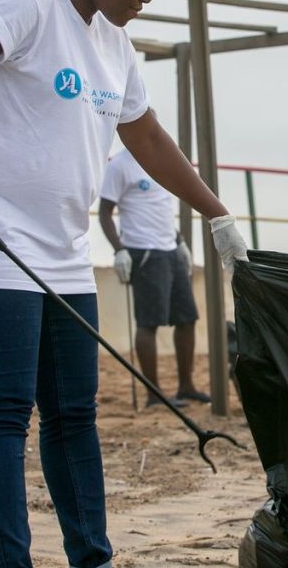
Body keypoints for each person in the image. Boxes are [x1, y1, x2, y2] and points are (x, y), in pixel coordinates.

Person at [0, 0, 248, 568]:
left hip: (62, 251)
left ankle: (90, 558)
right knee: (4, 407)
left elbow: (146, 136)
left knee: (73, 411)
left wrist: (215, 212)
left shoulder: (116, 48)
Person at [99, 148, 209, 408]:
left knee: (187, 318)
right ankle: (153, 394)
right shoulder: (119, 166)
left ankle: (186, 386)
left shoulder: (157, 160)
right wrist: (120, 250)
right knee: (148, 323)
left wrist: (179, 240)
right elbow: (105, 212)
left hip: (170, 249)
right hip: (144, 252)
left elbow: (159, 210)